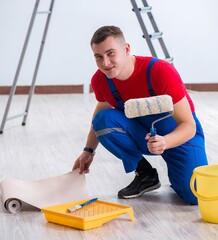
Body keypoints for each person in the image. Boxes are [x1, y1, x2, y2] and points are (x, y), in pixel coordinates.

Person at [72, 25, 208, 205]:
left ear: (126, 49)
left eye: (111, 53)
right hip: (143, 135)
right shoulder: (101, 80)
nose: (105, 63)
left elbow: (188, 126)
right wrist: (88, 151)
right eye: (98, 57)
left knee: (195, 195)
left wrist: (165, 142)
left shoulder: (159, 71)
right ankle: (145, 174)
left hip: (180, 135)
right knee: (103, 119)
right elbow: (99, 118)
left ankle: (178, 176)